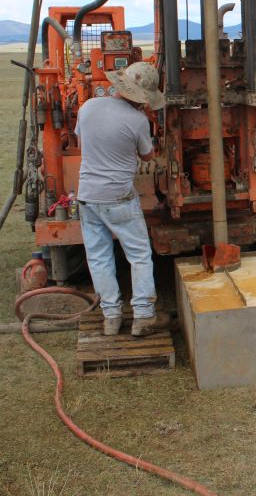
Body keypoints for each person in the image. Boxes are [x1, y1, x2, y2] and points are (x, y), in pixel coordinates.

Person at [74, 61, 169, 337]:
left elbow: (83, 144)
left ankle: (111, 318)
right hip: (119, 197)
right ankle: (143, 317)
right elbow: (148, 156)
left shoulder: (89, 107)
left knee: (99, 257)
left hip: (88, 197)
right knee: (139, 255)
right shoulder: (138, 121)